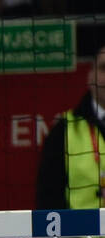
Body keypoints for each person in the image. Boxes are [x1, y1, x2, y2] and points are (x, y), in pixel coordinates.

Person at [36, 44, 105, 211]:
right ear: (90, 76)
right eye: (104, 68)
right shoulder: (64, 130)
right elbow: (48, 200)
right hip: (80, 237)